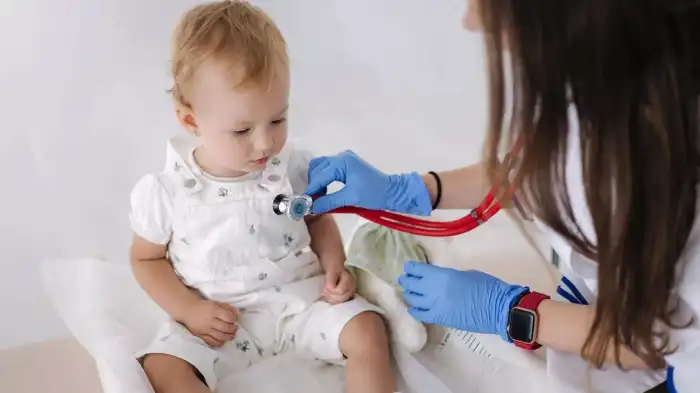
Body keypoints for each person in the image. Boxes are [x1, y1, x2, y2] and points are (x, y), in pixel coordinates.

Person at [305, 1, 700, 392]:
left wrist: (513, 312)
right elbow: (549, 171)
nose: (470, 21)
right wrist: (410, 189)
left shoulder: (641, 163)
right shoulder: (623, 80)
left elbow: (643, 341)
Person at [128, 2, 395, 393]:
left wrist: (335, 262)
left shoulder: (292, 166)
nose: (266, 142)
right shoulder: (165, 192)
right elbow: (145, 258)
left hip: (300, 304)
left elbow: (317, 217)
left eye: (278, 120)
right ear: (190, 120)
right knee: (160, 366)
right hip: (221, 322)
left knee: (369, 330)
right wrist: (189, 310)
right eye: (241, 131)